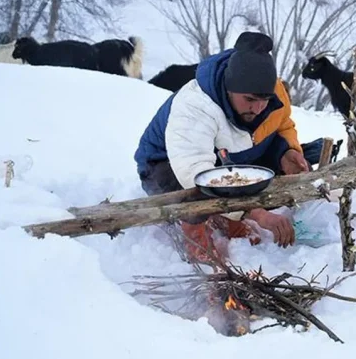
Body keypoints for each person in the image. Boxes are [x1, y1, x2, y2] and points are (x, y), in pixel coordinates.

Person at [133, 31, 325, 263]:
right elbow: (197, 176)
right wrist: (255, 211)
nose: (258, 108)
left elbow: (282, 124)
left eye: (264, 99)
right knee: (193, 197)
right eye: (250, 100)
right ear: (229, 88)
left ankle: (225, 218)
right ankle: (201, 249)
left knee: (257, 173)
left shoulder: (272, 94)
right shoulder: (196, 104)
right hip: (163, 164)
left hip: (222, 155)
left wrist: (287, 152)